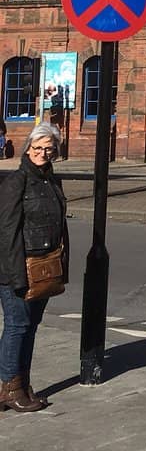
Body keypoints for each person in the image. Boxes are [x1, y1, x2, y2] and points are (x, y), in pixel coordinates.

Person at [0, 123, 67, 412]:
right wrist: (15, 277)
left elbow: (60, 227)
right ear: (27, 148)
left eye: (48, 148)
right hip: (18, 268)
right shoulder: (16, 182)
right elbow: (7, 231)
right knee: (17, 326)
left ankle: (22, 385)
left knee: (30, 328)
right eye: (37, 147)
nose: (42, 153)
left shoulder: (52, 181)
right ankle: (8, 388)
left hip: (44, 268)